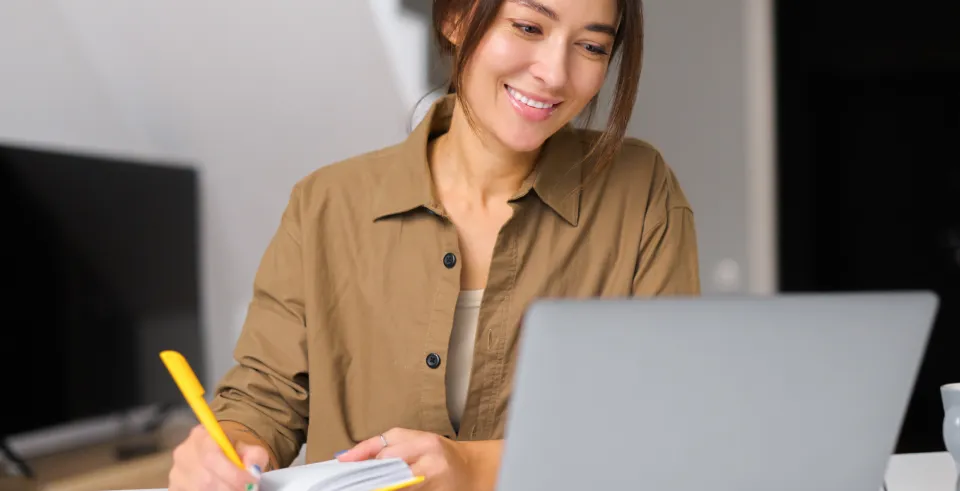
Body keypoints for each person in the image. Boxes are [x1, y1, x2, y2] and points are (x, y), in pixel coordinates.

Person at [167, 0, 700, 489]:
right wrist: (225, 451)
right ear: (455, 18)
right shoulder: (325, 204)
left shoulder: (641, 192)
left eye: (591, 46)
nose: (555, 73)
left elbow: (664, 420)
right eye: (528, 27)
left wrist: (475, 466)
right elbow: (264, 401)